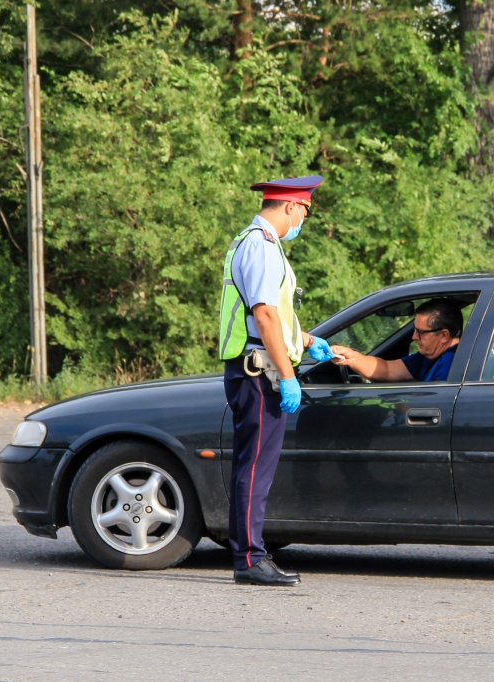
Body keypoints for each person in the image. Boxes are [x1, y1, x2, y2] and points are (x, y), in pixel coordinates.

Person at [218, 174, 335, 587]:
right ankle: (250, 559)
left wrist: (307, 341)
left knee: (251, 466)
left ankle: (247, 554)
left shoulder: (254, 242)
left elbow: (273, 318)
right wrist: (287, 376)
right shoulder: (262, 246)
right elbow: (264, 315)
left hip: (256, 364)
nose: (303, 221)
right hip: (260, 371)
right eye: (305, 212)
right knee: (255, 468)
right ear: (291, 206)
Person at [330, 298, 462, 382]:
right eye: (414, 330)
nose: (414, 337)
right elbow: (386, 369)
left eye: (420, 332)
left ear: (444, 335)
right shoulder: (428, 357)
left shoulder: (452, 364)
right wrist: (349, 357)